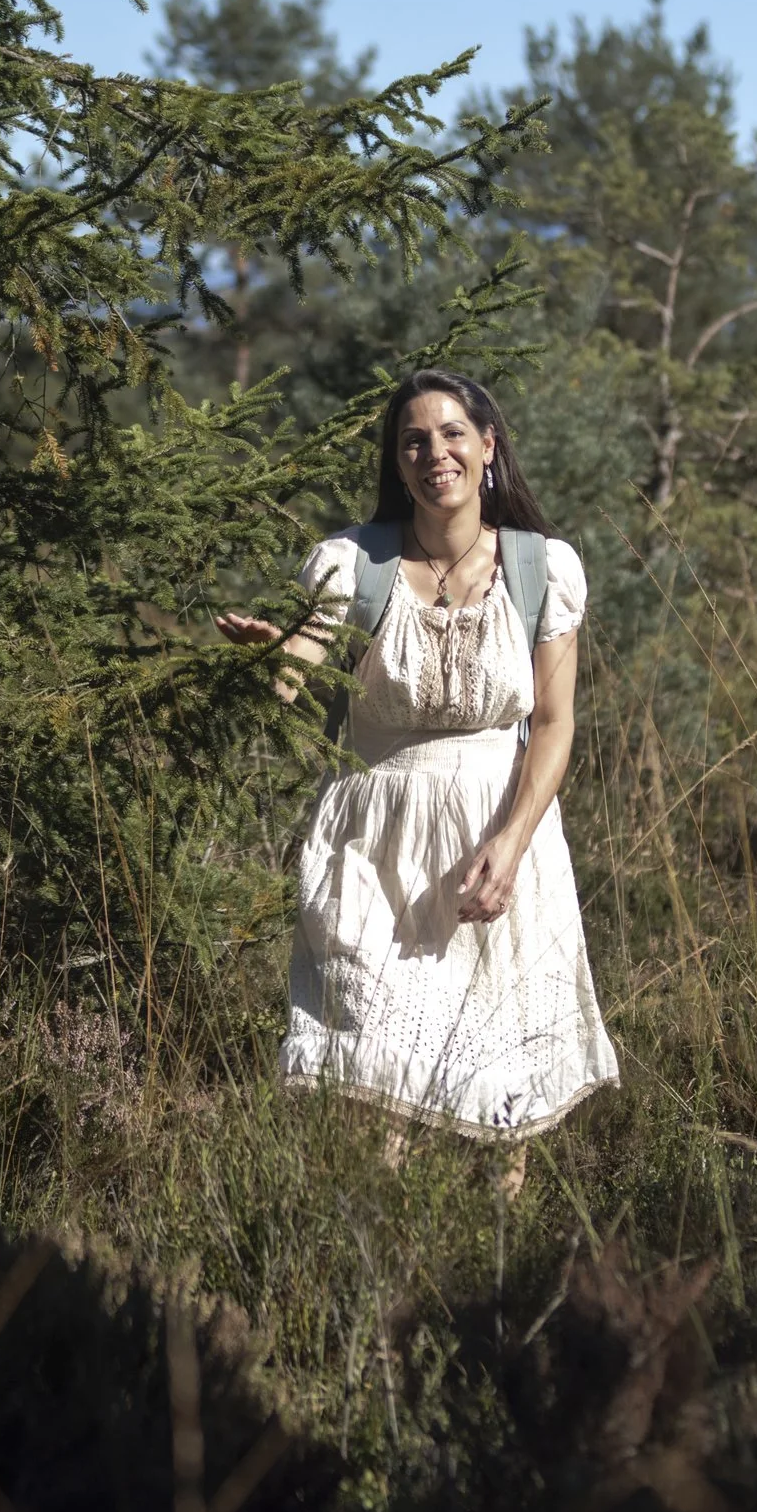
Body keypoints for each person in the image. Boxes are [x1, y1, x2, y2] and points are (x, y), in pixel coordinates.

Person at [216, 369, 617, 1175]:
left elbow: (552, 723)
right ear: (398, 465)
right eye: (414, 442)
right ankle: (382, 1247)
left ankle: (495, 1273)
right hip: (372, 842)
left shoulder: (544, 570)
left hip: (498, 830)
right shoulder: (350, 565)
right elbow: (298, 674)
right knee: (372, 1076)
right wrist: (272, 655)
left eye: (452, 435)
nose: (436, 453)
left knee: (502, 1081)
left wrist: (510, 843)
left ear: (488, 447)